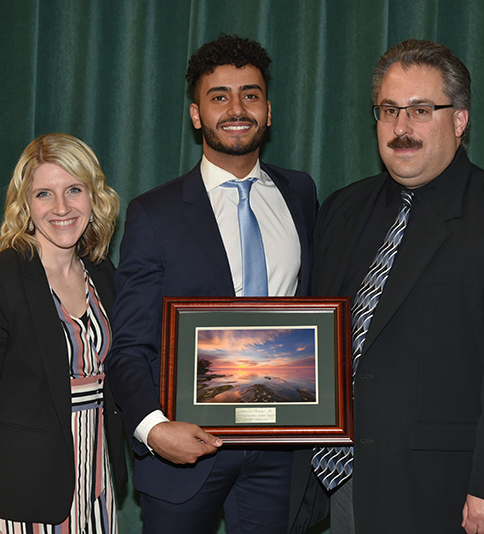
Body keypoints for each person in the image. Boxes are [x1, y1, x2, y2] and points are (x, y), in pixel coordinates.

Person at [309, 39, 484, 533]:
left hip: (444, 489)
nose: (401, 128)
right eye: (389, 110)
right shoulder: (345, 209)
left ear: (460, 120)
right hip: (341, 482)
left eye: (421, 110)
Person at [106, 34, 318, 534]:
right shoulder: (153, 214)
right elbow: (128, 346)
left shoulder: (301, 193)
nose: (236, 108)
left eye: (250, 93)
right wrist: (154, 430)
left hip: (280, 454)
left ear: (269, 109)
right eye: (218, 96)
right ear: (196, 114)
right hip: (185, 450)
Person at [0, 133, 126, 533]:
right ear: (25, 205)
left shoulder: (103, 276)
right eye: (44, 194)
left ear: (94, 196)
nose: (61, 207)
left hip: (94, 492)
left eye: (74, 190)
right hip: (15, 505)